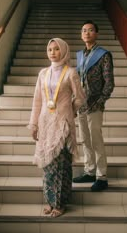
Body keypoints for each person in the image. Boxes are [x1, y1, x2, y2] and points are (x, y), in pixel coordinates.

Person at [28, 38, 85, 217]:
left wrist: (69, 110)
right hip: (45, 123)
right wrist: (34, 124)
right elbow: (37, 100)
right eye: (50, 49)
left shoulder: (70, 73)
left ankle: (60, 204)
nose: (52, 52)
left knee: (61, 165)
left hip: (63, 124)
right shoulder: (43, 73)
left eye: (56, 49)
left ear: (64, 51)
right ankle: (50, 201)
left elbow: (80, 98)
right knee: (48, 164)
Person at [73, 20, 115, 192]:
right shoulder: (80, 56)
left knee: (96, 140)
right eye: (84, 30)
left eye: (90, 30)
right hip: (81, 105)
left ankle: (101, 176)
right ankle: (89, 171)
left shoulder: (104, 55)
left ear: (96, 34)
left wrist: (100, 101)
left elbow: (109, 82)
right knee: (84, 139)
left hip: (95, 104)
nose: (87, 33)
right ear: (81, 35)